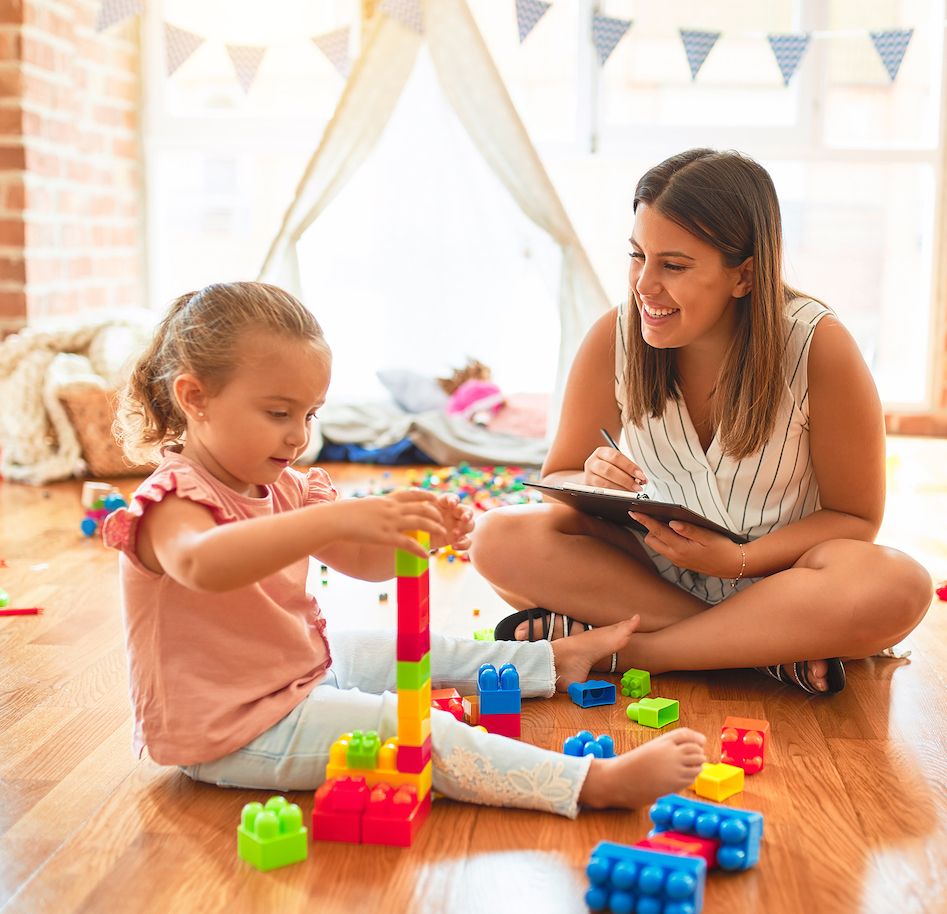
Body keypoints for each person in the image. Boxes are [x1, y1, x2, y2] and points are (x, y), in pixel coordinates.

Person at [103, 281, 706, 818]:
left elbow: (360, 562)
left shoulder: (281, 486)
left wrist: (415, 540)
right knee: (416, 729)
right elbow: (203, 563)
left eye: (310, 414)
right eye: (278, 413)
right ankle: (589, 784)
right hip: (230, 731)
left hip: (291, 679)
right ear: (195, 397)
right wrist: (340, 516)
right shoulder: (169, 503)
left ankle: (553, 662)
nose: (298, 435)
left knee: (389, 648)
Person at [470, 149, 933, 695]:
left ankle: (634, 651)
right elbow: (561, 482)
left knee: (899, 584)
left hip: (789, 587)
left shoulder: (818, 347)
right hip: (651, 576)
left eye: (674, 265)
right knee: (497, 537)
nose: (644, 284)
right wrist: (590, 477)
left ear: (744, 274)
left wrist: (740, 559)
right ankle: (764, 652)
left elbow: (855, 517)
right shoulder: (612, 337)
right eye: (638, 255)